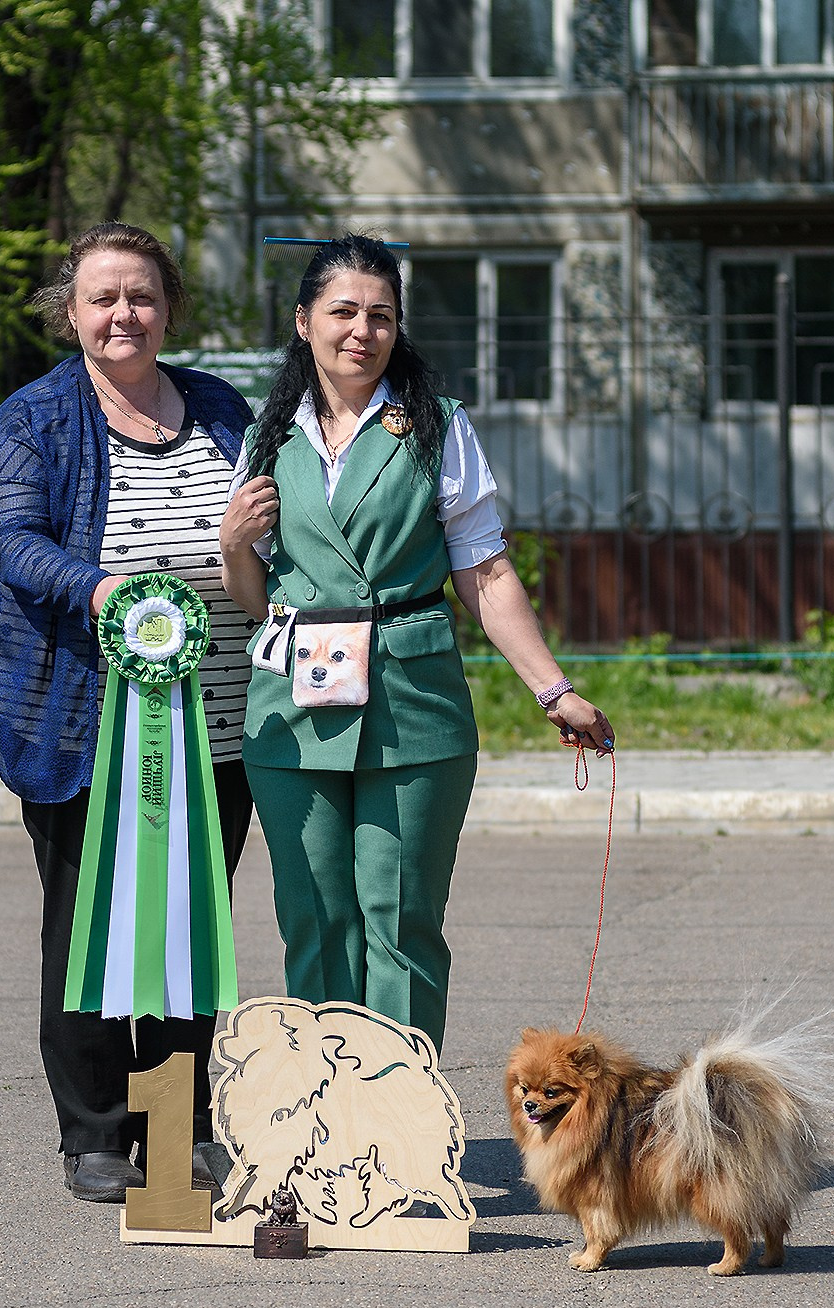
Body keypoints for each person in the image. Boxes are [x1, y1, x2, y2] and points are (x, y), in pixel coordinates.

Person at [219, 234, 614, 1055]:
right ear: (303, 321)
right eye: (343, 312)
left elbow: (487, 571)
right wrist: (231, 547)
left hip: (412, 699)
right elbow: (255, 599)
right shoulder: (267, 435)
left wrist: (554, 689)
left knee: (400, 917)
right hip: (293, 709)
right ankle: (327, 1139)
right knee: (315, 917)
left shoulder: (436, 427)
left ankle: (399, 1134)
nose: (362, 331)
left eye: (381, 316)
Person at [0, 223, 257, 1202]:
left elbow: (272, 507)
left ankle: (171, 1130)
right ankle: (92, 1133)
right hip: (83, 724)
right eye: (102, 298)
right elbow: (7, 537)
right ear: (71, 312)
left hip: (215, 721)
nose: (122, 314)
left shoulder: (217, 404)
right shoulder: (33, 417)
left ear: (168, 307)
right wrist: (100, 592)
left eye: (140, 296)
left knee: (185, 933)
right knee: (90, 929)